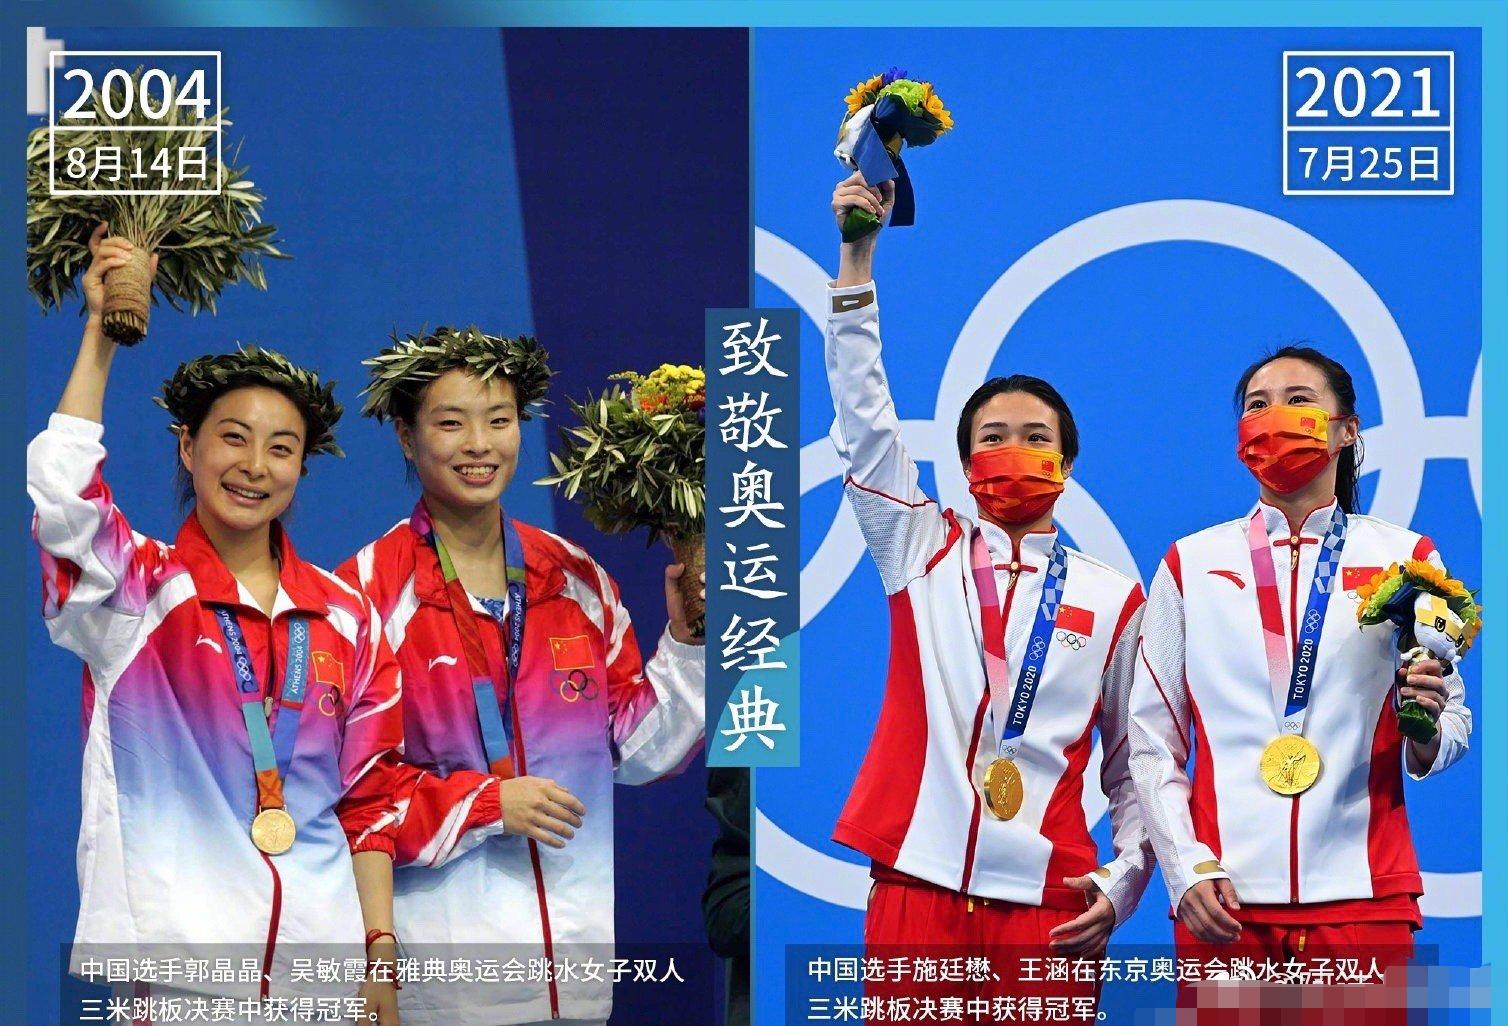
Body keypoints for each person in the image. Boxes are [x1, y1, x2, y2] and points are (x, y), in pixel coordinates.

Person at [28, 225, 478, 1024]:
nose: (254, 465)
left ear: (302, 467)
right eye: (231, 438)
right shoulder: (137, 593)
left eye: (281, 448)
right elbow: (64, 502)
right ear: (187, 447)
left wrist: (379, 962)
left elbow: (370, 802)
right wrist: (101, 334)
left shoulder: (347, 620)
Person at [824, 172, 1154, 1011]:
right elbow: (864, 419)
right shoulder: (919, 549)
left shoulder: (1116, 599)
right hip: (918, 886)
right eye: (992, 438)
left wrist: (1122, 881)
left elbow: (1138, 765)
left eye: (1036, 438)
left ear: (1067, 467)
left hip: (1050, 907)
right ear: (965, 463)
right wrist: (856, 259)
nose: (1013, 451)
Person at [337, 326, 707, 1026]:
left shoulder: (575, 579)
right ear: (406, 437)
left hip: (577, 973)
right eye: (451, 422)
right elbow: (351, 796)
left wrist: (687, 643)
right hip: (442, 988)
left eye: (499, 420)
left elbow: (631, 752)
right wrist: (484, 805)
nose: (480, 443)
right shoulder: (364, 598)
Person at [1128, 345, 1471, 1018]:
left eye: (1299, 400)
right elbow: (1151, 740)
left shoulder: (1407, 559)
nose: (1274, 416)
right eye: (1257, 405)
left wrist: (1424, 733)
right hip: (1226, 905)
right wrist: (1185, 867)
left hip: (1365, 900)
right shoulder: (1188, 564)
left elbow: (1453, 723)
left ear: (1349, 430)